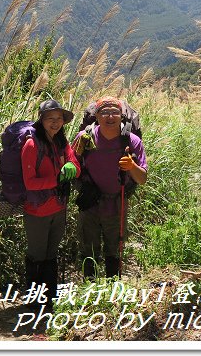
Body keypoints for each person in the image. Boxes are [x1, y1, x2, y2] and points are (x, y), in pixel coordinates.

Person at [72, 96, 147, 280]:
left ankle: (112, 291)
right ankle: (91, 289)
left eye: (115, 112)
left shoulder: (132, 141)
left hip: (117, 202)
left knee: (114, 249)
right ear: (96, 115)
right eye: (104, 112)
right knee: (89, 249)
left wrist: (131, 167)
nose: (110, 116)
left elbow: (142, 178)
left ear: (122, 116)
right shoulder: (85, 137)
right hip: (90, 203)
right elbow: (72, 165)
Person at [21, 99, 81, 307]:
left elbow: (74, 164)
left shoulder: (61, 142)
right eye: (50, 119)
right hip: (37, 210)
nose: (55, 123)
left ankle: (49, 299)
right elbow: (30, 183)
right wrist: (57, 178)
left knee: (51, 254)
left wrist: (72, 167)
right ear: (41, 120)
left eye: (59, 119)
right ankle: (34, 300)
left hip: (58, 207)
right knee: (37, 255)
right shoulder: (31, 145)